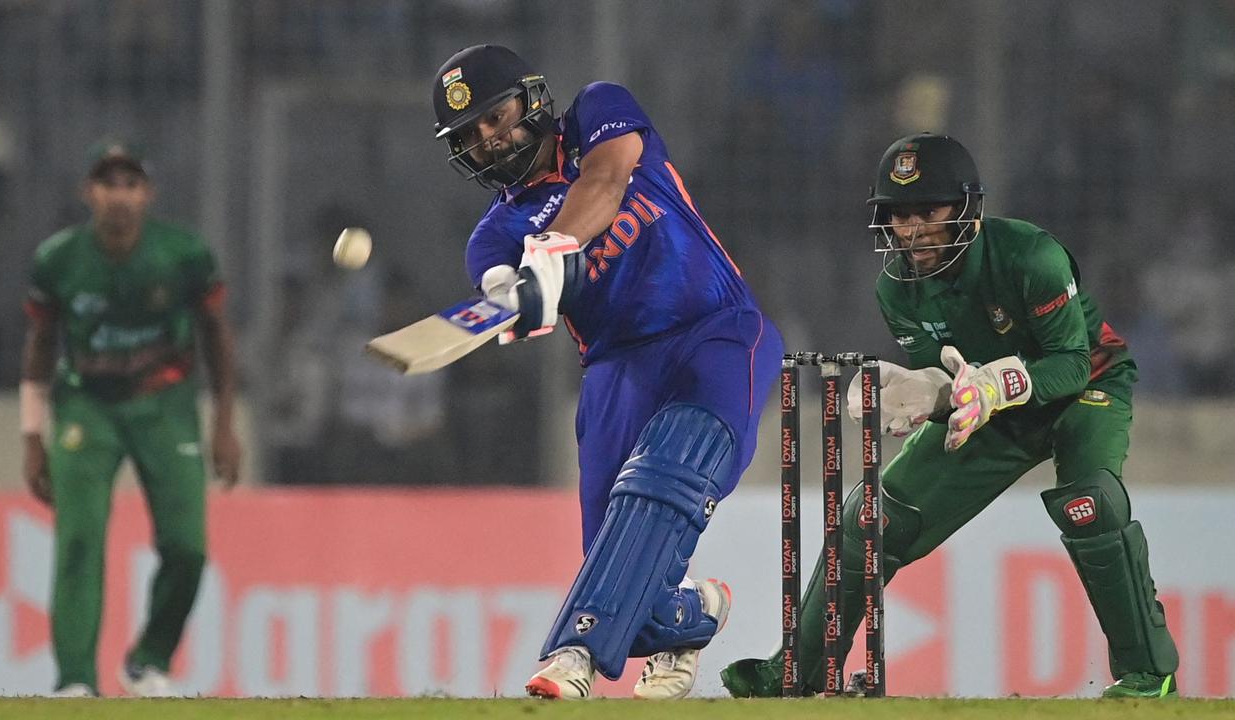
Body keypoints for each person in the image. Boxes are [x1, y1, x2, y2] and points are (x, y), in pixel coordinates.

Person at [720, 132, 1179, 699]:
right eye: (898, 214)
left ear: (967, 208)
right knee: (870, 520)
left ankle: (1147, 675)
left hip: (1085, 388)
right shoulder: (897, 288)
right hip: (986, 407)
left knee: (1091, 504)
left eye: (929, 211)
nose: (912, 230)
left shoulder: (1032, 255)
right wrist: (933, 392)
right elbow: (947, 373)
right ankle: (796, 673)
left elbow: (1071, 362)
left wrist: (998, 384)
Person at [428, 45, 783, 699]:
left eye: (495, 114)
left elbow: (607, 180)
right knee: (621, 562)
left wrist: (551, 252)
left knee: (669, 472)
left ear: (530, 99)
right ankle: (689, 619)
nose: (489, 136)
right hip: (619, 371)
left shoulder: (598, 111)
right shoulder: (493, 234)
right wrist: (519, 297)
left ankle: (574, 652)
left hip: (717, 330)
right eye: (470, 135)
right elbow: (504, 284)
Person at [21, 141, 241, 697]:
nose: (118, 196)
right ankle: (74, 681)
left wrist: (223, 422)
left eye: (129, 184)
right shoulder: (59, 259)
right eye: (107, 184)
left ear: (147, 194)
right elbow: (41, 346)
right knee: (78, 540)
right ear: (87, 192)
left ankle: (149, 659)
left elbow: (216, 336)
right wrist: (31, 435)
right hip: (86, 405)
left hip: (164, 404)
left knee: (187, 547)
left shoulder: (184, 253)